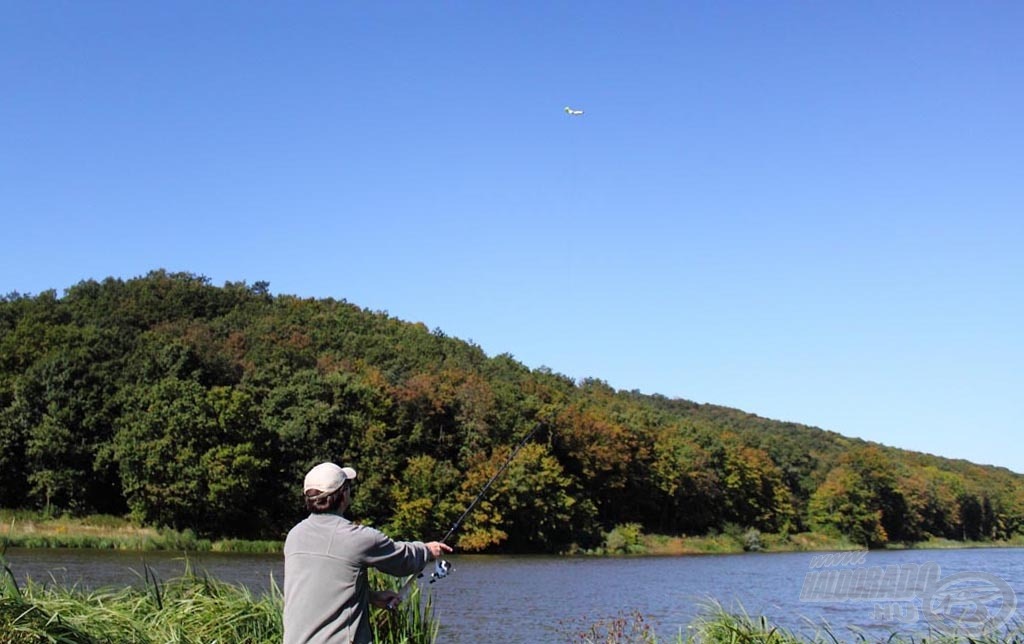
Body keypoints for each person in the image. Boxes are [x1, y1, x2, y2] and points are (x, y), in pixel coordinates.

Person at [283, 462, 452, 644]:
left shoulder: (295, 535)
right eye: (348, 487)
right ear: (342, 495)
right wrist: (427, 551)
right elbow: (402, 561)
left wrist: (369, 597)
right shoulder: (357, 538)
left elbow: (320, 584)